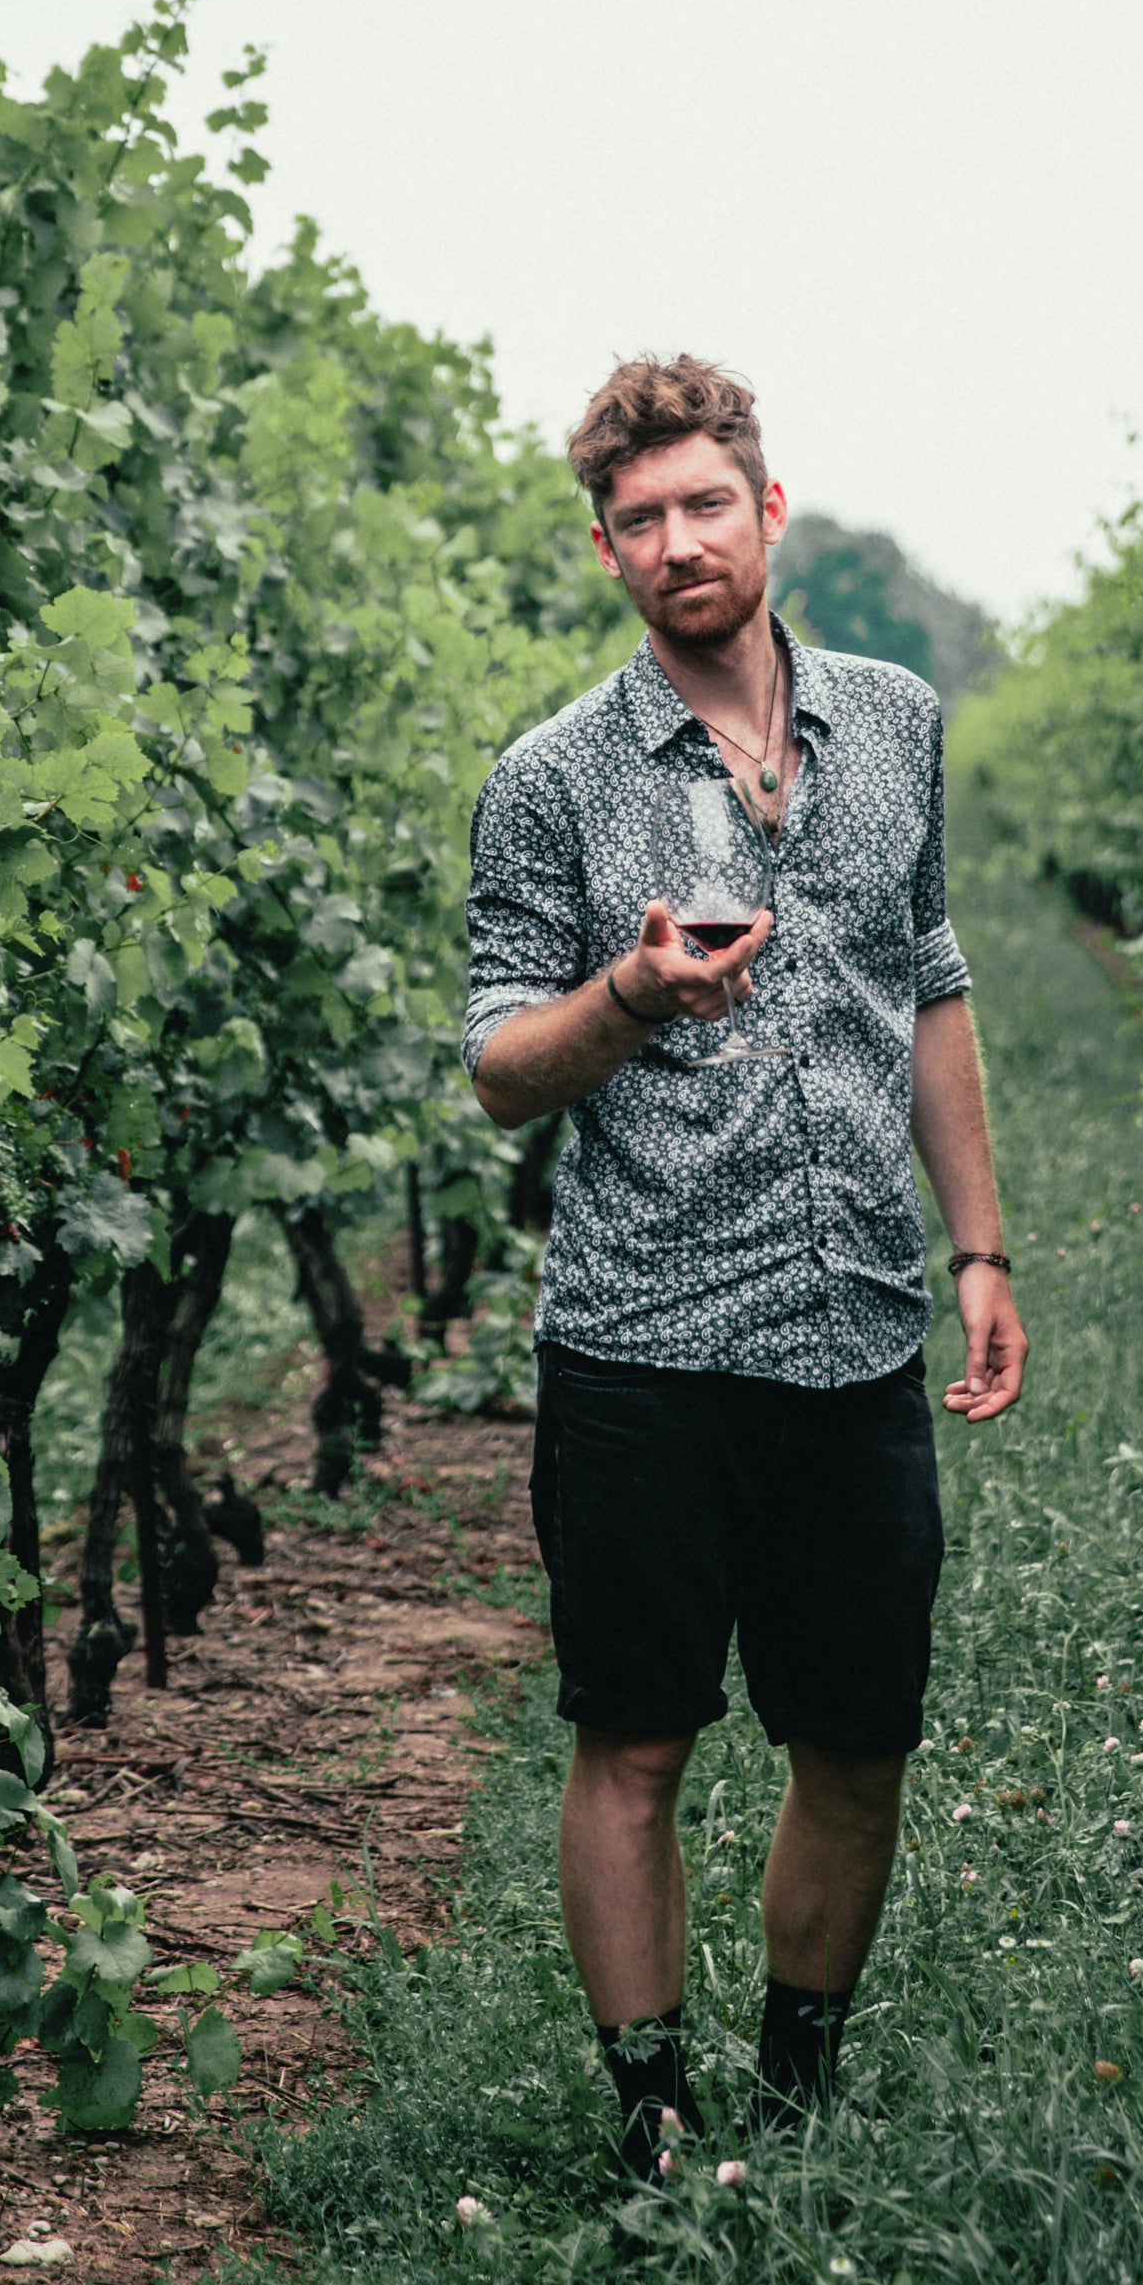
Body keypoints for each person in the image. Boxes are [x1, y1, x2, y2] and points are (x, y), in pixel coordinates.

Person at [463, 352, 1026, 2177]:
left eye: (707, 504)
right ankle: (651, 2122)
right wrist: (631, 991)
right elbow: (498, 1071)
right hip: (642, 1333)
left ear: (768, 511)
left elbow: (927, 979)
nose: (678, 542)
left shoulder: (897, 724)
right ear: (606, 550)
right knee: (635, 1743)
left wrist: (978, 1247)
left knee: (856, 1744)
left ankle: (792, 2107)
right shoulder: (550, 781)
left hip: (856, 1324)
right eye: (640, 520)